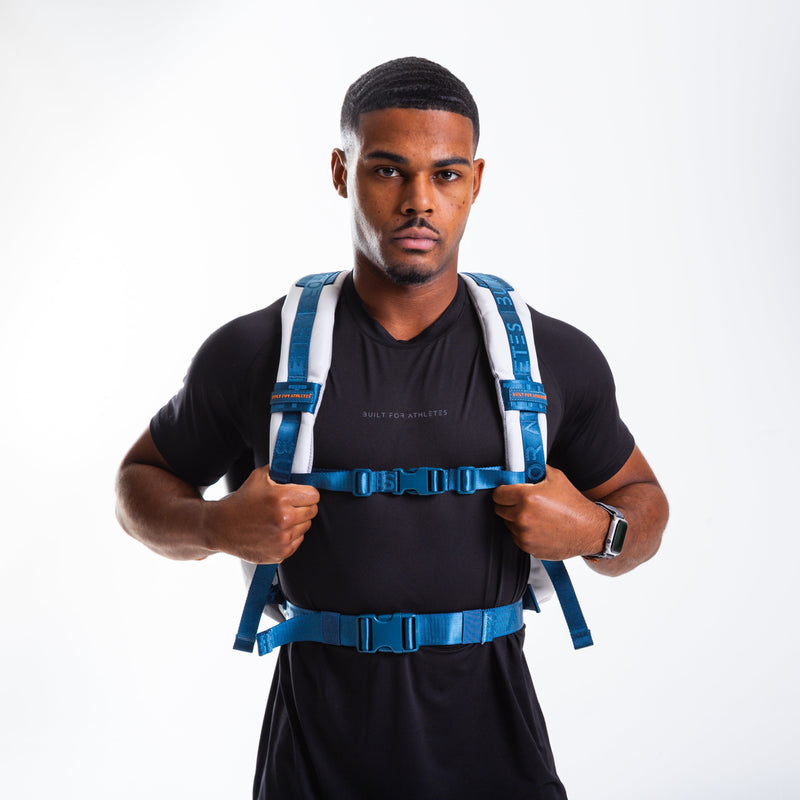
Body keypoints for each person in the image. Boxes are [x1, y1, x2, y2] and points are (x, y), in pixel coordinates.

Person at [115, 56, 669, 800]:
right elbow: (138, 484)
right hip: (315, 763)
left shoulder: (552, 358)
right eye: (387, 170)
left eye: (445, 174)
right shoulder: (254, 353)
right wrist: (214, 525)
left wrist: (599, 531)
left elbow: (644, 503)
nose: (418, 202)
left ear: (475, 181)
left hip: (496, 756)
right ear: (341, 172)